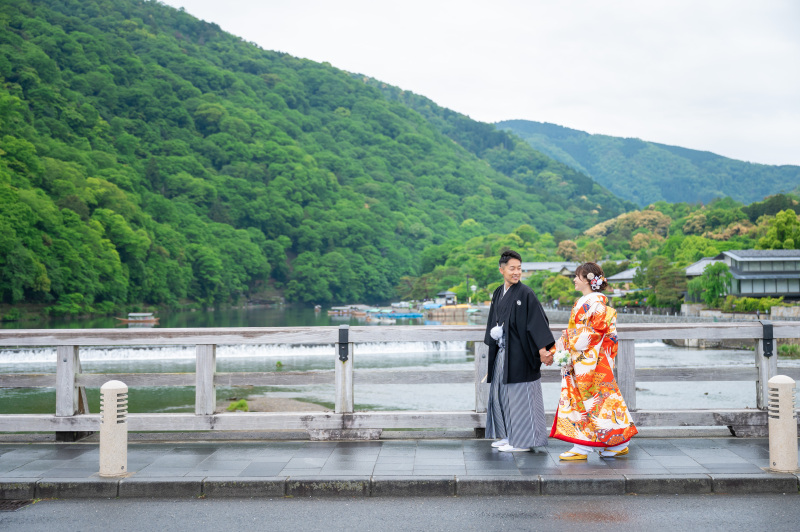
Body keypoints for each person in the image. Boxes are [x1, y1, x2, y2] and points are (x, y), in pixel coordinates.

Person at [550, 262, 638, 460]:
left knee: (588, 403)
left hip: (589, 362)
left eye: (577, 276)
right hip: (590, 360)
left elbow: (592, 333)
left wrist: (568, 340)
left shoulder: (595, 304)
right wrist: (561, 346)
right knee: (604, 402)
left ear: (588, 279)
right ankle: (619, 443)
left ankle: (582, 447)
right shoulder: (588, 302)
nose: (574, 279)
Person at [484, 250, 555, 452]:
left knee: (521, 395)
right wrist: (495, 333)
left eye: (519, 269)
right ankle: (510, 436)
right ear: (502, 270)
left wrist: (543, 350)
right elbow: (494, 319)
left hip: (521, 353)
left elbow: (537, 323)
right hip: (503, 352)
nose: (517, 273)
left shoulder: (526, 293)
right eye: (512, 268)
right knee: (502, 393)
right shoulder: (499, 292)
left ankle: (524, 441)